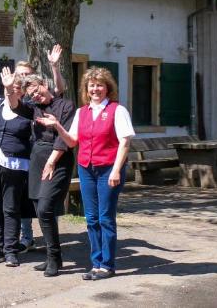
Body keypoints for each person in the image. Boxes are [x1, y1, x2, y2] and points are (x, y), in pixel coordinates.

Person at [36, 66, 135, 280]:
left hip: (108, 168)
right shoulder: (82, 112)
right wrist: (57, 126)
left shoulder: (117, 110)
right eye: (92, 85)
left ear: (108, 88)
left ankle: (107, 265)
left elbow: (125, 142)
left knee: (105, 218)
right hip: (86, 169)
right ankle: (96, 263)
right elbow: (71, 142)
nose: (96, 89)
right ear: (86, 89)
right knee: (91, 218)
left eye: (100, 85)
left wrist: (116, 170)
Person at [22, 73, 76, 276]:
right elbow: (14, 103)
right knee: (39, 209)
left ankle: (54, 256)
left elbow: (64, 139)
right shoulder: (34, 108)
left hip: (59, 159)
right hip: (37, 158)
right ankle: (53, 257)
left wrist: (52, 162)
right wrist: (10, 87)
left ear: (45, 85)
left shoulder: (66, 106)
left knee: (45, 208)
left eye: (37, 90)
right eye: (32, 94)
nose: (36, 95)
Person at [0, 68, 35, 267]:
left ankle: (10, 250)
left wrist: (9, 88)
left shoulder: (28, 110)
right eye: (9, 87)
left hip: (15, 164)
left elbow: (13, 104)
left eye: (15, 87)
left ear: (21, 91)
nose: (11, 90)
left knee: (11, 208)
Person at [14, 44, 66, 252]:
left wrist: (54, 66)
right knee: (24, 197)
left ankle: (48, 239)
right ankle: (24, 238)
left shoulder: (39, 97)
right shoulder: (18, 99)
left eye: (27, 74)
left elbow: (59, 90)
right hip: (22, 153)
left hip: (45, 152)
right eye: (20, 75)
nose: (23, 77)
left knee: (45, 199)